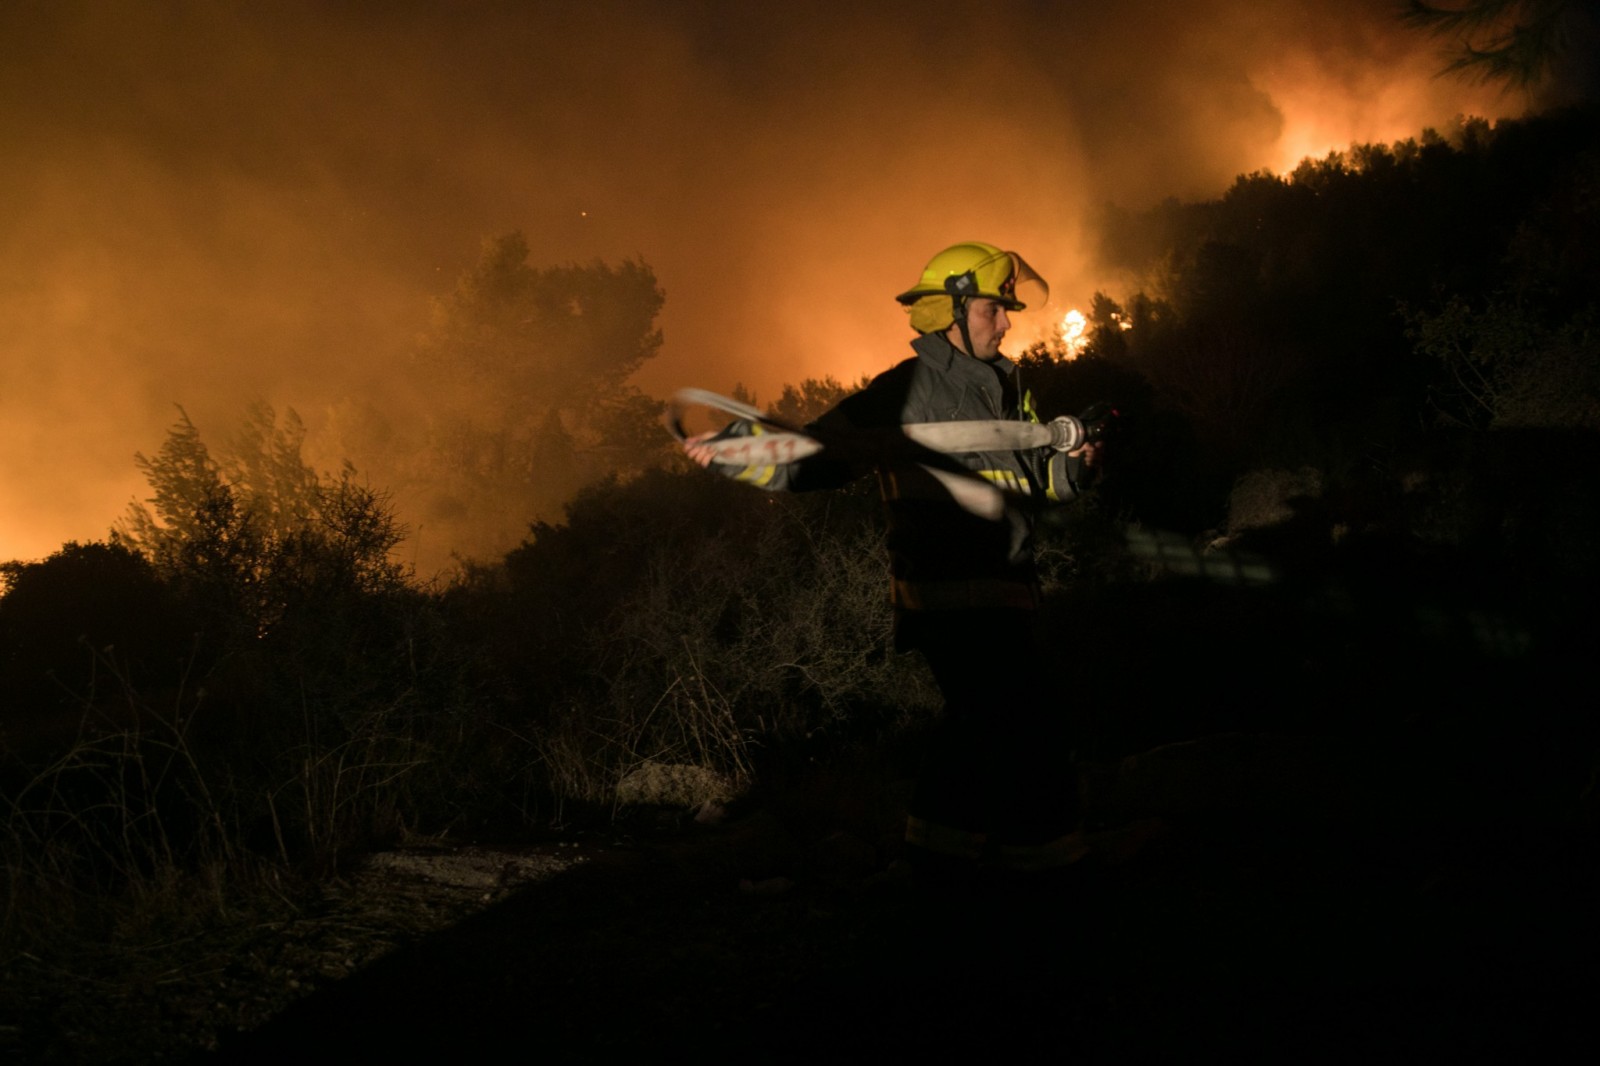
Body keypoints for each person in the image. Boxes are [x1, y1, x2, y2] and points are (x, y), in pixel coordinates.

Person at [686, 241, 1099, 887]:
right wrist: (745, 452)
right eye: (995, 308)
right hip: (947, 595)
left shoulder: (1007, 387)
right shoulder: (904, 390)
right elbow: (823, 453)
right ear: (954, 312)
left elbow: (1034, 481)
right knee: (1027, 722)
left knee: (982, 726)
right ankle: (1043, 872)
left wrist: (1071, 471)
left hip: (1005, 589)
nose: (1008, 322)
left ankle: (946, 867)